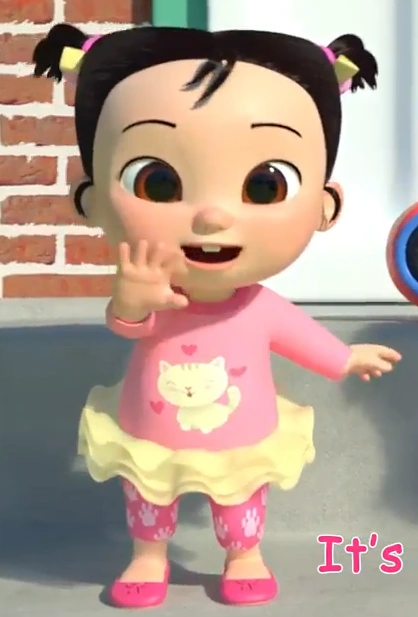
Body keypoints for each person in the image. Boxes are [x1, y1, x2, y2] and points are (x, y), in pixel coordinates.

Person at [33, 24, 401, 608]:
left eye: (264, 185)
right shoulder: (154, 291)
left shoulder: (258, 305)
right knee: (147, 496)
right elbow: (127, 325)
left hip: (242, 433)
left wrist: (345, 358)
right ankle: (148, 556)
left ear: (325, 205)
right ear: (92, 199)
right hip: (150, 431)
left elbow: (300, 336)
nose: (211, 216)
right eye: (158, 182)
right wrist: (133, 301)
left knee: (241, 498)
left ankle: (244, 555)